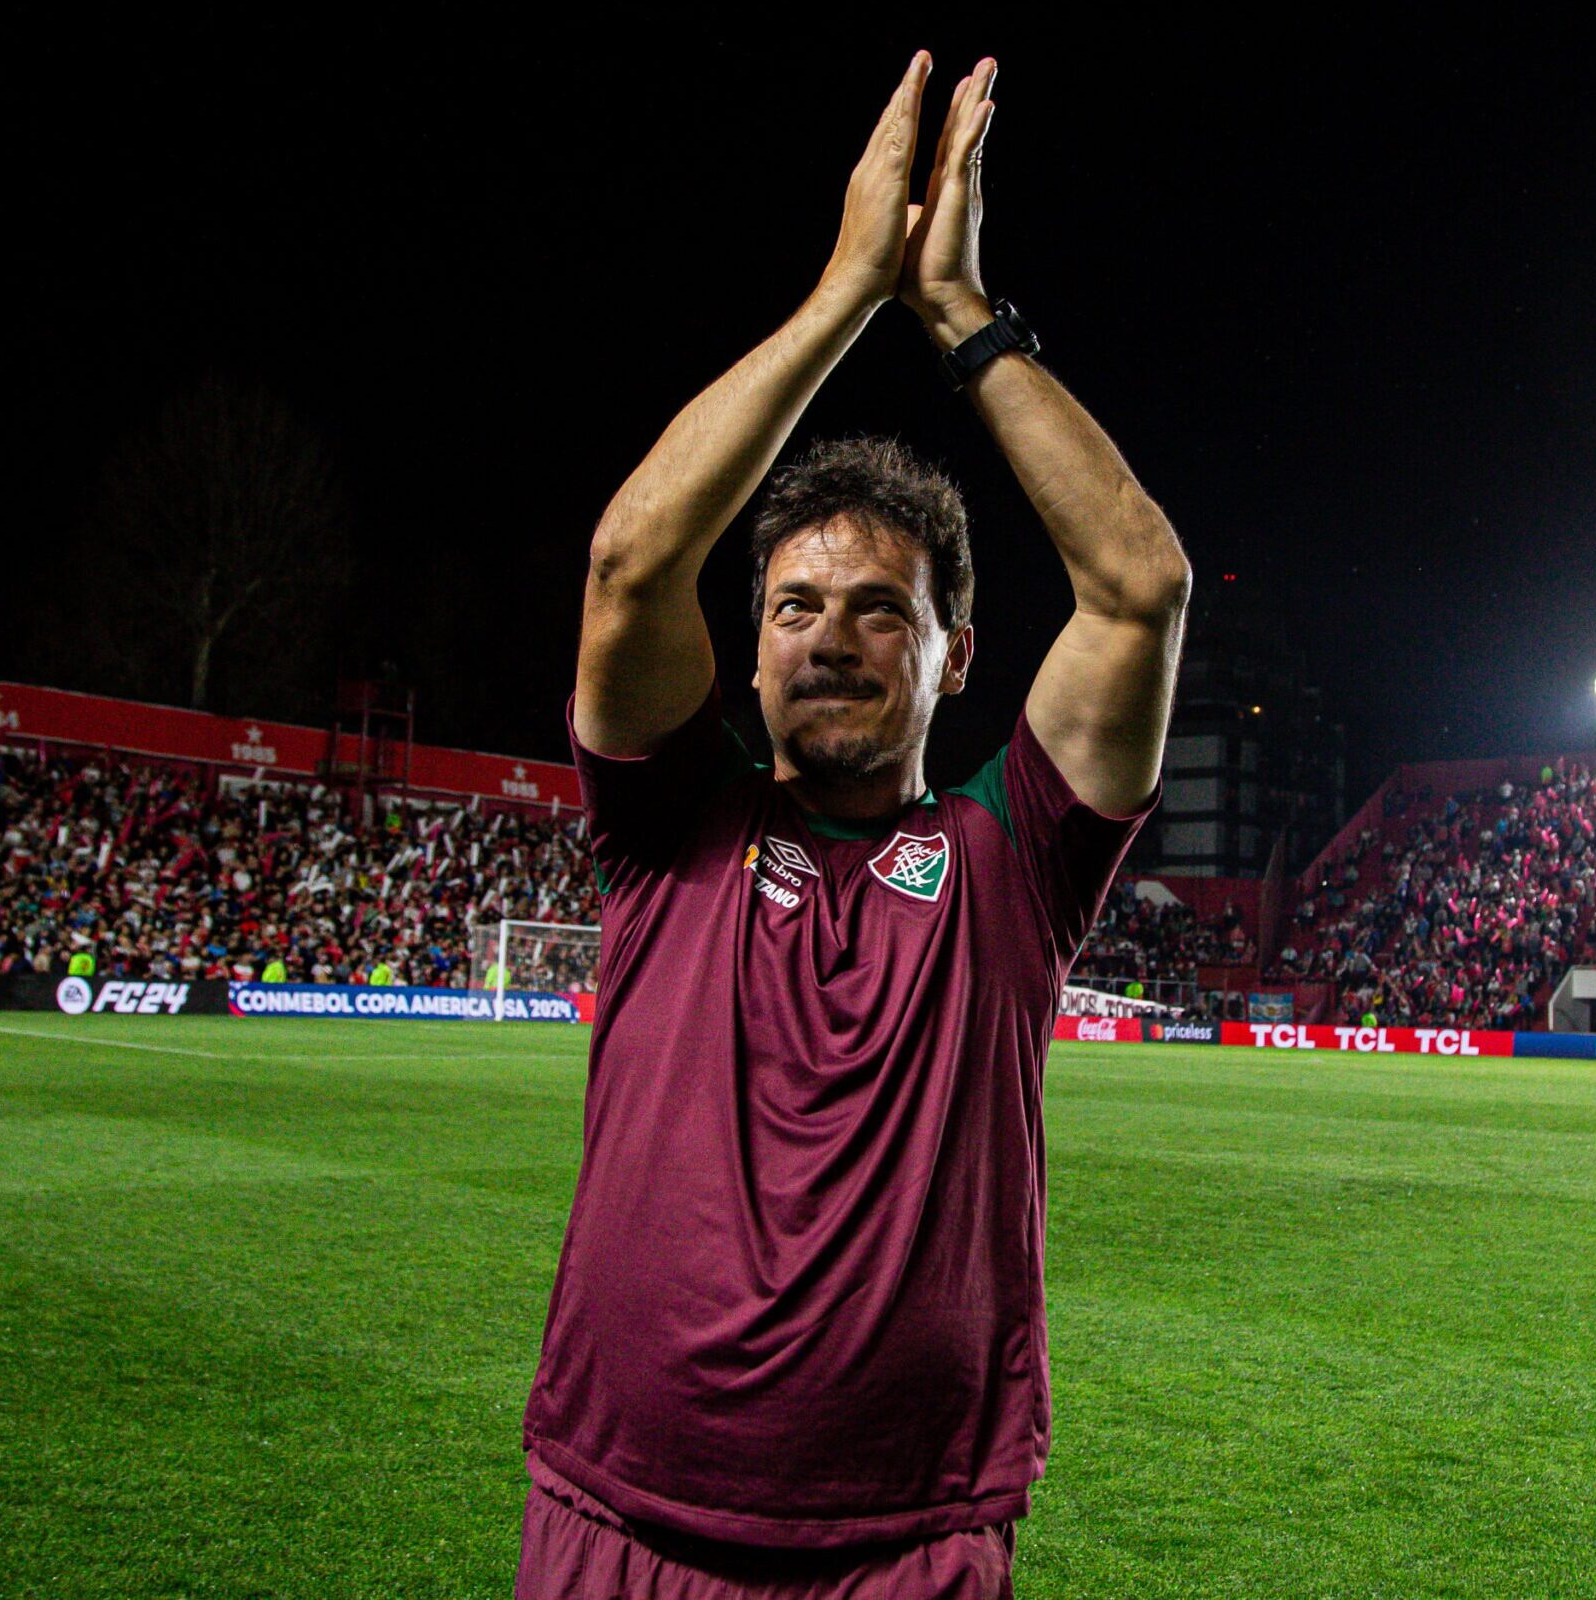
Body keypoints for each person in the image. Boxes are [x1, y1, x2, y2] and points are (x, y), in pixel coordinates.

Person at [517, 52, 1189, 1600]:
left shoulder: (1015, 859)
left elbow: (1140, 586)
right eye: (795, 606)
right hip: (620, 1521)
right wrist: (841, 294)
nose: (831, 637)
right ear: (746, 649)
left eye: (884, 613)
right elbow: (630, 565)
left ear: (956, 655)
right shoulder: (667, 826)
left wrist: (955, 311)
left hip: (909, 1546)